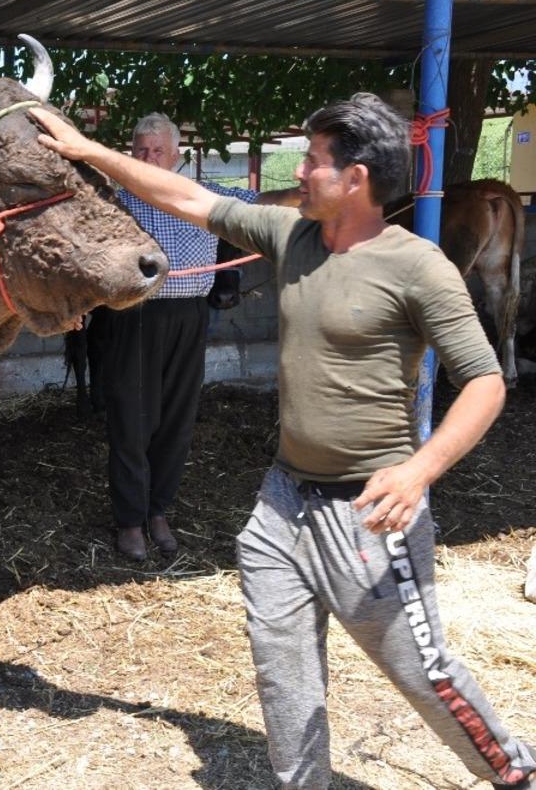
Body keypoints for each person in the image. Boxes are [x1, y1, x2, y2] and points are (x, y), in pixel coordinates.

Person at [30, 95, 534, 789]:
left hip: (369, 510)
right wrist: (88, 152)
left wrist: (421, 470)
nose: (300, 173)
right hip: (281, 506)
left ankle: (514, 771)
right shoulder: (291, 234)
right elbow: (186, 195)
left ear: (356, 178)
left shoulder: (418, 267)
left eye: (315, 161)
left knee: (423, 670)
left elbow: (484, 381)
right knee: (282, 666)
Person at [104, 113, 287, 562]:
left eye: (157, 151)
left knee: (177, 419)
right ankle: (130, 521)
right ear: (131, 154)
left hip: (189, 316)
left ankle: (159, 511)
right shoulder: (114, 201)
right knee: (132, 418)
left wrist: (316, 192)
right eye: (141, 151)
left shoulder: (205, 196)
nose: (148, 158)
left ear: (176, 156)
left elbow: (259, 200)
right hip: (134, 314)